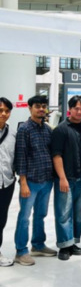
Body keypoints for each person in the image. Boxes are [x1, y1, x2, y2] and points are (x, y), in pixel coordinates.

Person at [14, 95, 56, 266]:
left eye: (43, 106)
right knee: (24, 217)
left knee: (41, 215)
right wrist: (23, 182)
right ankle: (21, 251)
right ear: (30, 108)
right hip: (30, 181)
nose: (41, 109)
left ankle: (38, 245)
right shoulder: (24, 129)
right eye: (37, 106)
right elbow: (20, 157)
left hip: (46, 179)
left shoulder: (47, 129)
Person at [51, 95, 81, 261]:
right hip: (66, 177)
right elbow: (56, 155)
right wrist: (62, 177)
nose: (79, 111)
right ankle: (64, 245)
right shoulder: (61, 129)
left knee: (79, 214)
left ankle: (73, 242)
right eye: (76, 108)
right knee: (63, 213)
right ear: (70, 109)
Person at [0, 98, 16, 267]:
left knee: (1, 220)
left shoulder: (12, 134)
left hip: (6, 184)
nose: (3, 114)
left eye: (7, 110)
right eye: (0, 110)